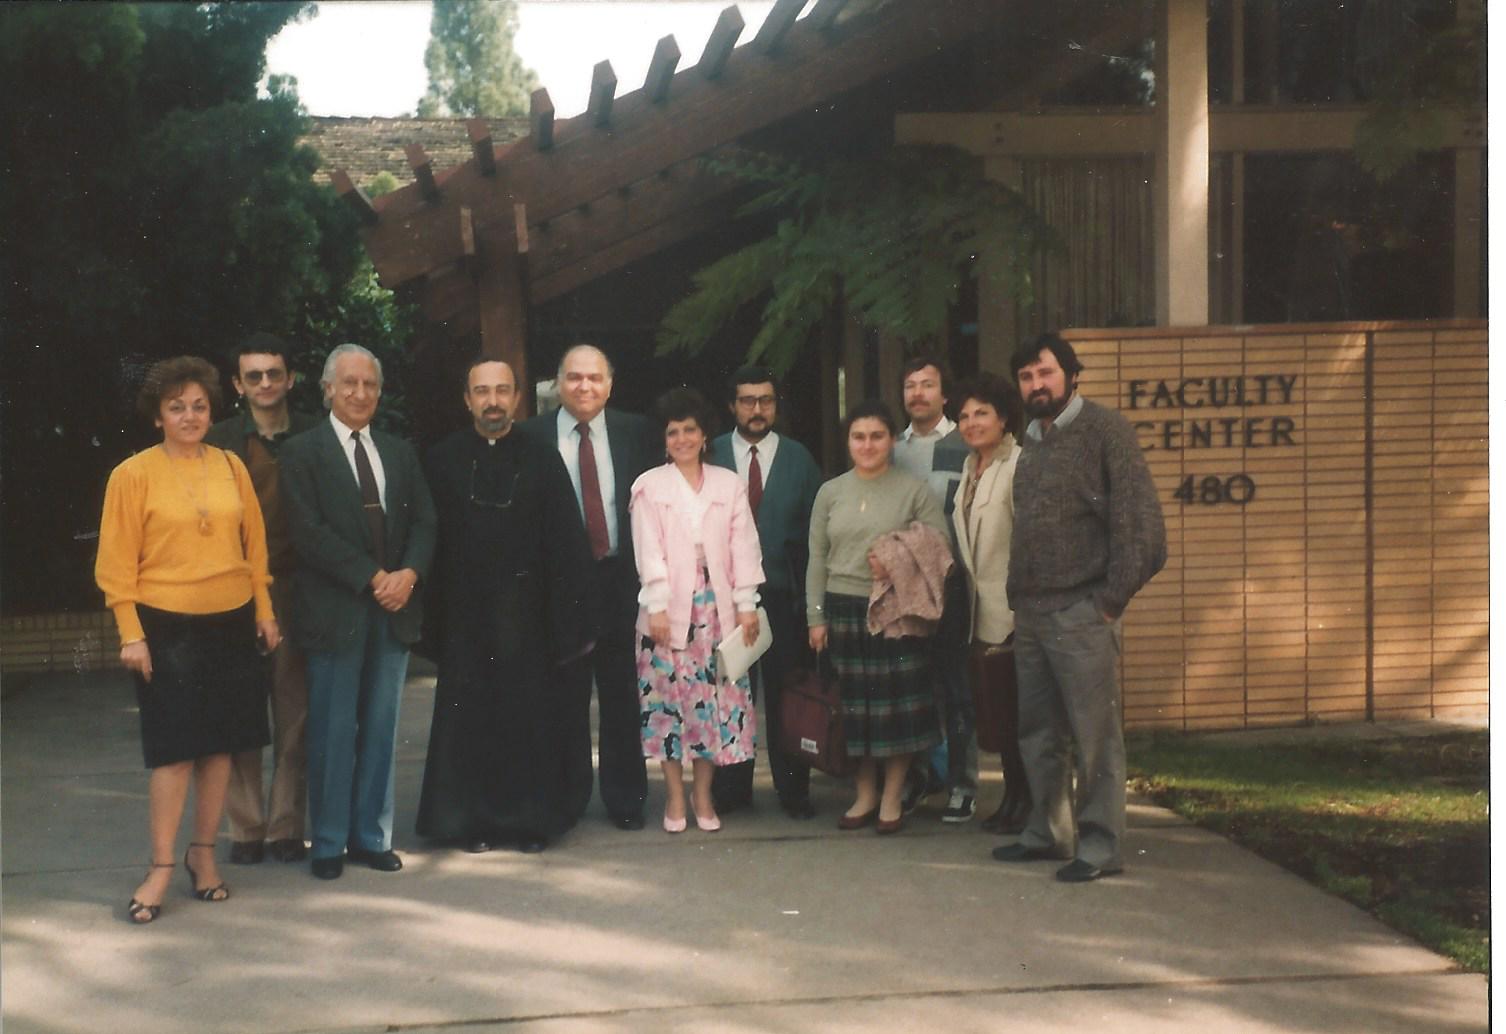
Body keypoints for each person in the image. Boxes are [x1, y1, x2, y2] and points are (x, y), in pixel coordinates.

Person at [96, 356, 279, 923]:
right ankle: (160, 869)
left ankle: (204, 858)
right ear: (157, 416)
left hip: (231, 621)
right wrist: (132, 633)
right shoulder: (132, 475)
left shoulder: (230, 466)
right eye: (177, 407)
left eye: (199, 406)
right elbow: (115, 566)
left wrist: (265, 612)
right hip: (166, 627)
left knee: (220, 747)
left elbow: (256, 550)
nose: (190, 415)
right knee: (173, 755)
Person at [993, 332, 1166, 883]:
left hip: (1084, 611)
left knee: (1094, 738)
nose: (1036, 384)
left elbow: (1141, 526)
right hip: (1035, 614)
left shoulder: (1105, 431)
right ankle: (1049, 833)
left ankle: (1099, 845)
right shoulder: (1034, 441)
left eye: (1045, 372)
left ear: (1070, 373)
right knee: (1037, 733)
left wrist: (1110, 602)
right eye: (1026, 377)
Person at [415, 358, 594, 854]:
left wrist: (568, 620)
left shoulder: (541, 457)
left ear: (517, 398)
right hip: (465, 618)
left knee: (527, 720)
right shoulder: (444, 459)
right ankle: (467, 823)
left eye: (502, 391)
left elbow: (565, 544)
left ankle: (528, 824)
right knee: (469, 720)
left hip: (527, 617)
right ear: (466, 398)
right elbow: (428, 540)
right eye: (481, 391)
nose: (492, 401)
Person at [280, 344, 436, 880]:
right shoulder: (302, 452)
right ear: (327, 389)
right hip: (336, 611)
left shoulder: (398, 451)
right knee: (331, 729)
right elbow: (307, 532)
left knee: (381, 729)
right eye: (348, 383)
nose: (359, 393)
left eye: (369, 384)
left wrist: (408, 575)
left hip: (394, 611)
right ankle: (327, 843)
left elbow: (425, 523)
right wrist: (373, 578)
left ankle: (372, 836)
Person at [520, 344, 655, 831]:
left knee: (622, 693)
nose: (584, 387)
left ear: (610, 383)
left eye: (594, 378)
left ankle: (625, 799)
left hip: (621, 578)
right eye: (574, 377)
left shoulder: (636, 432)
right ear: (558, 383)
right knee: (565, 695)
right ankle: (568, 797)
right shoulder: (530, 437)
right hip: (560, 584)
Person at [806, 400, 949, 834]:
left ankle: (892, 796)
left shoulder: (913, 490)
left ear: (891, 440)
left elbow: (939, 546)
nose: (867, 445)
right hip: (842, 607)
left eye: (877, 436)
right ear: (848, 441)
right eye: (858, 436)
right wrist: (815, 616)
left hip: (894, 610)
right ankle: (864, 793)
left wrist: (896, 558)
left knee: (894, 711)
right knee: (856, 709)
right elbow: (817, 556)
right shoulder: (830, 491)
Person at [204, 332, 319, 866]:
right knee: (239, 714)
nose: (266, 384)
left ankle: (286, 826)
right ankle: (246, 828)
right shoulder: (219, 441)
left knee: (294, 716)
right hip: (233, 594)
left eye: (275, 373)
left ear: (291, 379)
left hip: (297, 591)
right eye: (254, 376)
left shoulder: (317, 437)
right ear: (237, 384)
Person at [630, 388, 764, 834]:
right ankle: (672, 795)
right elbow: (648, 550)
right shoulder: (649, 486)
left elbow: (744, 546)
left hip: (718, 606)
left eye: (690, 430)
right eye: (674, 432)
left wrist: (747, 605)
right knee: (669, 703)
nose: (683, 438)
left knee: (713, 704)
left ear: (705, 434)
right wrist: (658, 604)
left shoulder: (728, 483)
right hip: (668, 608)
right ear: (664, 439)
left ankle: (703, 794)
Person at [708, 366, 824, 819]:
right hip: (725, 601)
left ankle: (794, 791)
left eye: (766, 401)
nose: (757, 410)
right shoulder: (710, 453)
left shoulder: (799, 459)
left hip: (782, 597)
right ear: (732, 406)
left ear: (776, 405)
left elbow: (817, 533)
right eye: (748, 401)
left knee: (785, 698)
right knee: (730, 696)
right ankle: (732, 789)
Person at [892, 357, 975, 823]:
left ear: (945, 395)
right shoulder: (892, 449)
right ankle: (919, 779)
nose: (918, 393)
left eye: (928, 384)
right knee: (913, 688)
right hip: (906, 587)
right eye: (910, 385)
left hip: (953, 584)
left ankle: (963, 785)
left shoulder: (964, 443)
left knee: (957, 689)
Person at [950, 373, 1030, 835]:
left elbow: (1026, 543)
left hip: (1013, 615)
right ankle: (1012, 800)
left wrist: (1022, 611)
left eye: (981, 412)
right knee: (1000, 718)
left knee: (1020, 720)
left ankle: (1027, 803)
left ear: (1003, 416)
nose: (971, 422)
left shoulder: (1019, 465)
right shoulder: (970, 469)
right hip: (979, 618)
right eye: (963, 415)